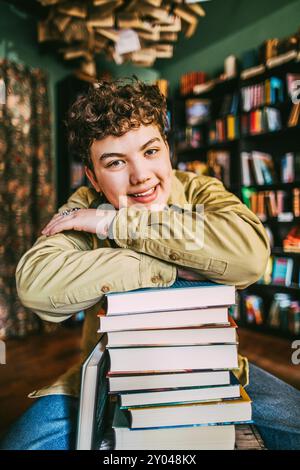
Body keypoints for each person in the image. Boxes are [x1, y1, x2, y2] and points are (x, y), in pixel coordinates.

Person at [1, 78, 299, 450]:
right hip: (108, 377)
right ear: (93, 177)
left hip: (213, 367)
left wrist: (114, 224)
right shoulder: (84, 203)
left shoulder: (201, 189)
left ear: (167, 149)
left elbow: (251, 256)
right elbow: (37, 286)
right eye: (115, 162)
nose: (140, 175)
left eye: (151, 151)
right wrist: (174, 263)